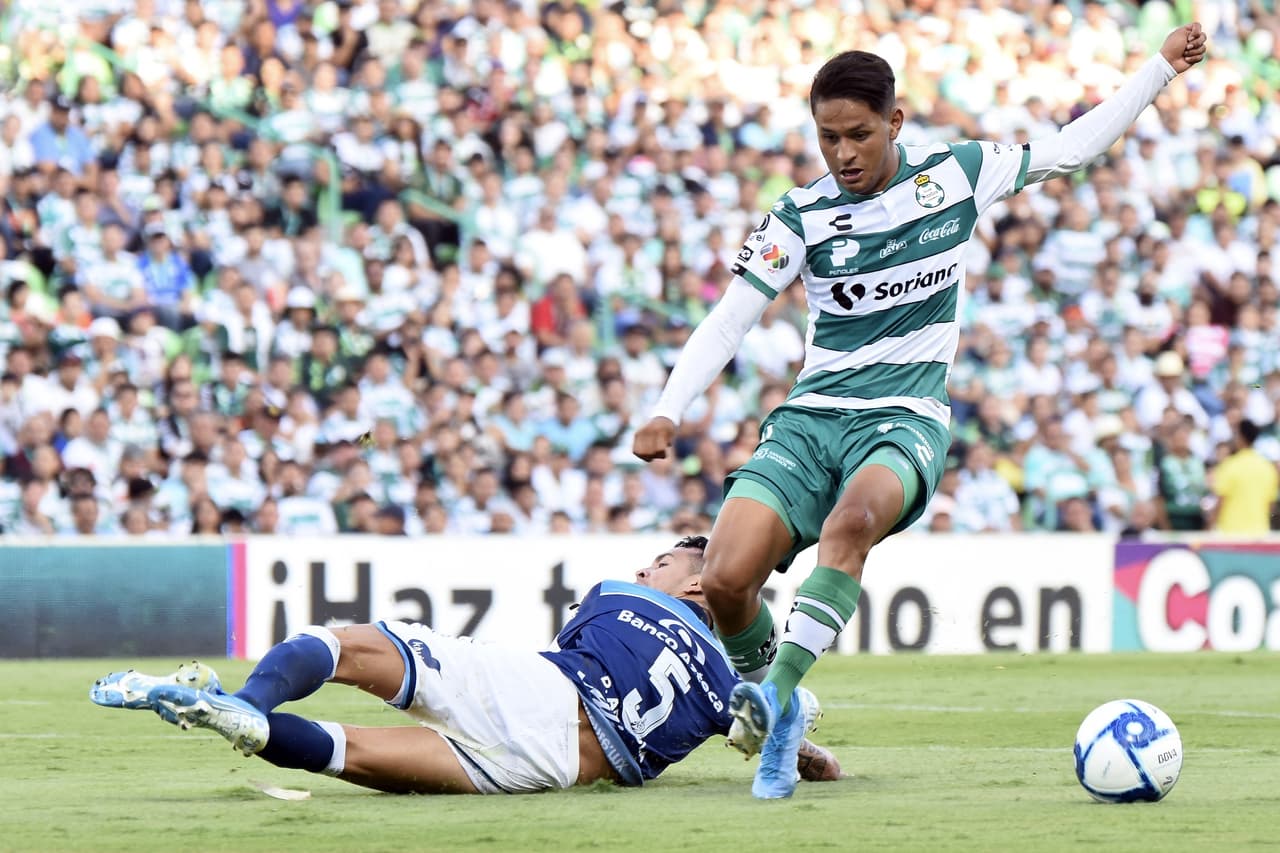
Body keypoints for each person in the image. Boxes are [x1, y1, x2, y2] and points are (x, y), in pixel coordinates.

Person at [632, 25, 1208, 799]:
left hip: (902, 416)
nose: (842, 154)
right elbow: (731, 317)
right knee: (729, 579)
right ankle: (785, 700)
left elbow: (1070, 148)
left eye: (858, 135)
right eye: (827, 137)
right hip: (811, 420)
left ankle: (771, 708)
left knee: (853, 522)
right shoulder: (799, 215)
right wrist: (668, 407)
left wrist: (1158, 70)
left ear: (894, 123)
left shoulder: (957, 175)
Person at [90, 537, 839, 794]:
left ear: (697, 581)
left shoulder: (615, 595)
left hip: (542, 690)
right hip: (551, 771)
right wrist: (808, 749)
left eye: (663, 562)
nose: (645, 567)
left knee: (348, 643)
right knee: (347, 750)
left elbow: (582, 646)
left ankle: (250, 701)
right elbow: (773, 739)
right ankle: (253, 730)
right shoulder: (723, 687)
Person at [1209, 420, 1279, 534]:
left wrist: (1210, 525)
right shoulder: (1268, 468)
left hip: (1230, 533)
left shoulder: (1229, 465)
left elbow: (1221, 501)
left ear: (1241, 438)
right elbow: (1271, 505)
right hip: (1259, 533)